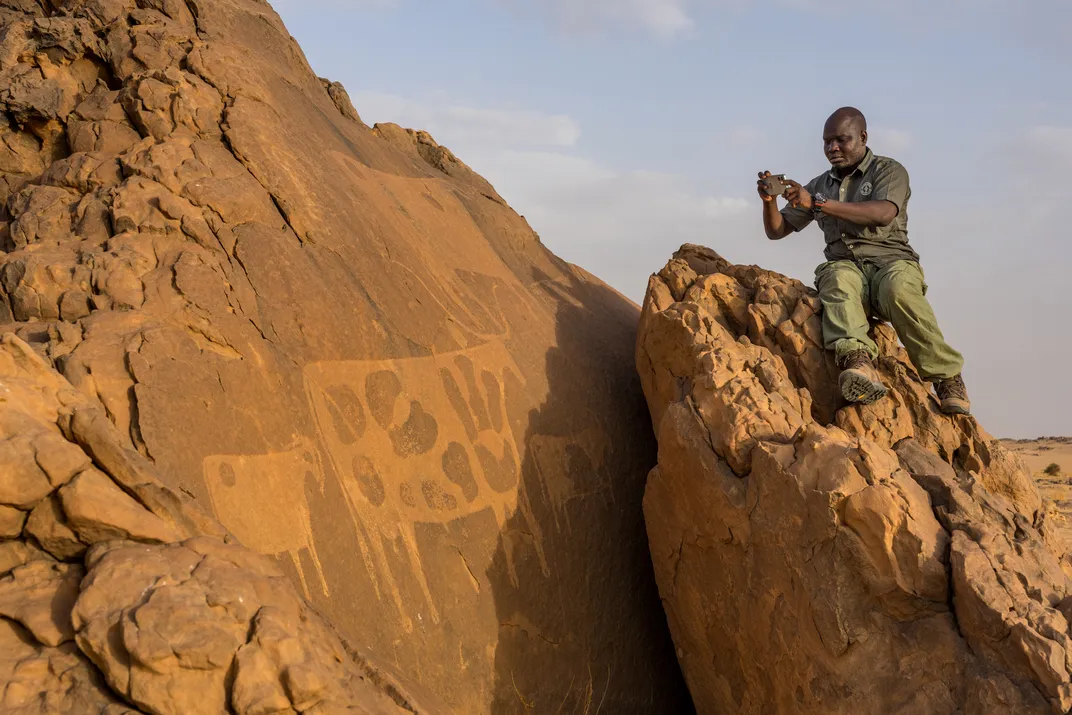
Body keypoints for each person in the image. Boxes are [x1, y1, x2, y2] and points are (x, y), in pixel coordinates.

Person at [756, 106, 970, 415]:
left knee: (900, 289)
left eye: (841, 140)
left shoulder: (889, 171)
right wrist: (769, 202)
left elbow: (882, 214)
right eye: (827, 141)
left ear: (863, 137)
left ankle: (947, 377)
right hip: (848, 268)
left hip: (891, 264)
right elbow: (777, 231)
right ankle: (857, 363)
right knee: (837, 277)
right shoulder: (819, 185)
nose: (833, 148)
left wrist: (818, 203)